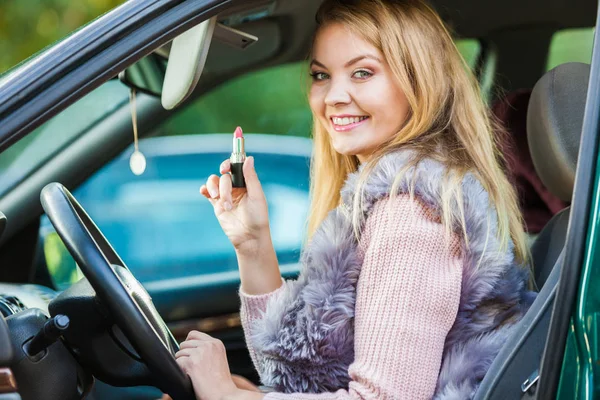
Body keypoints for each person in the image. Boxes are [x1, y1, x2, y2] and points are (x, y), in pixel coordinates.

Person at [164, 0, 536, 399]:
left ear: (418, 82)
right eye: (321, 75)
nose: (333, 96)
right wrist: (252, 243)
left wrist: (230, 396)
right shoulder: (380, 202)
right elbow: (300, 369)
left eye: (362, 72)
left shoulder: (410, 216)